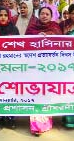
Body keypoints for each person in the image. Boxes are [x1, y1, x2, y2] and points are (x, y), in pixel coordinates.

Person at [25, 7, 61, 136]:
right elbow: (24, 44)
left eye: (47, 14)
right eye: (42, 13)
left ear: (51, 16)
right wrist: (35, 37)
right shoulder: (32, 29)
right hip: (35, 67)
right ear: (38, 15)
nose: (44, 16)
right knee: (36, 93)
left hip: (50, 67)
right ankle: (36, 126)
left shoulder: (56, 28)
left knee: (47, 93)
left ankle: (46, 123)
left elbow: (63, 45)